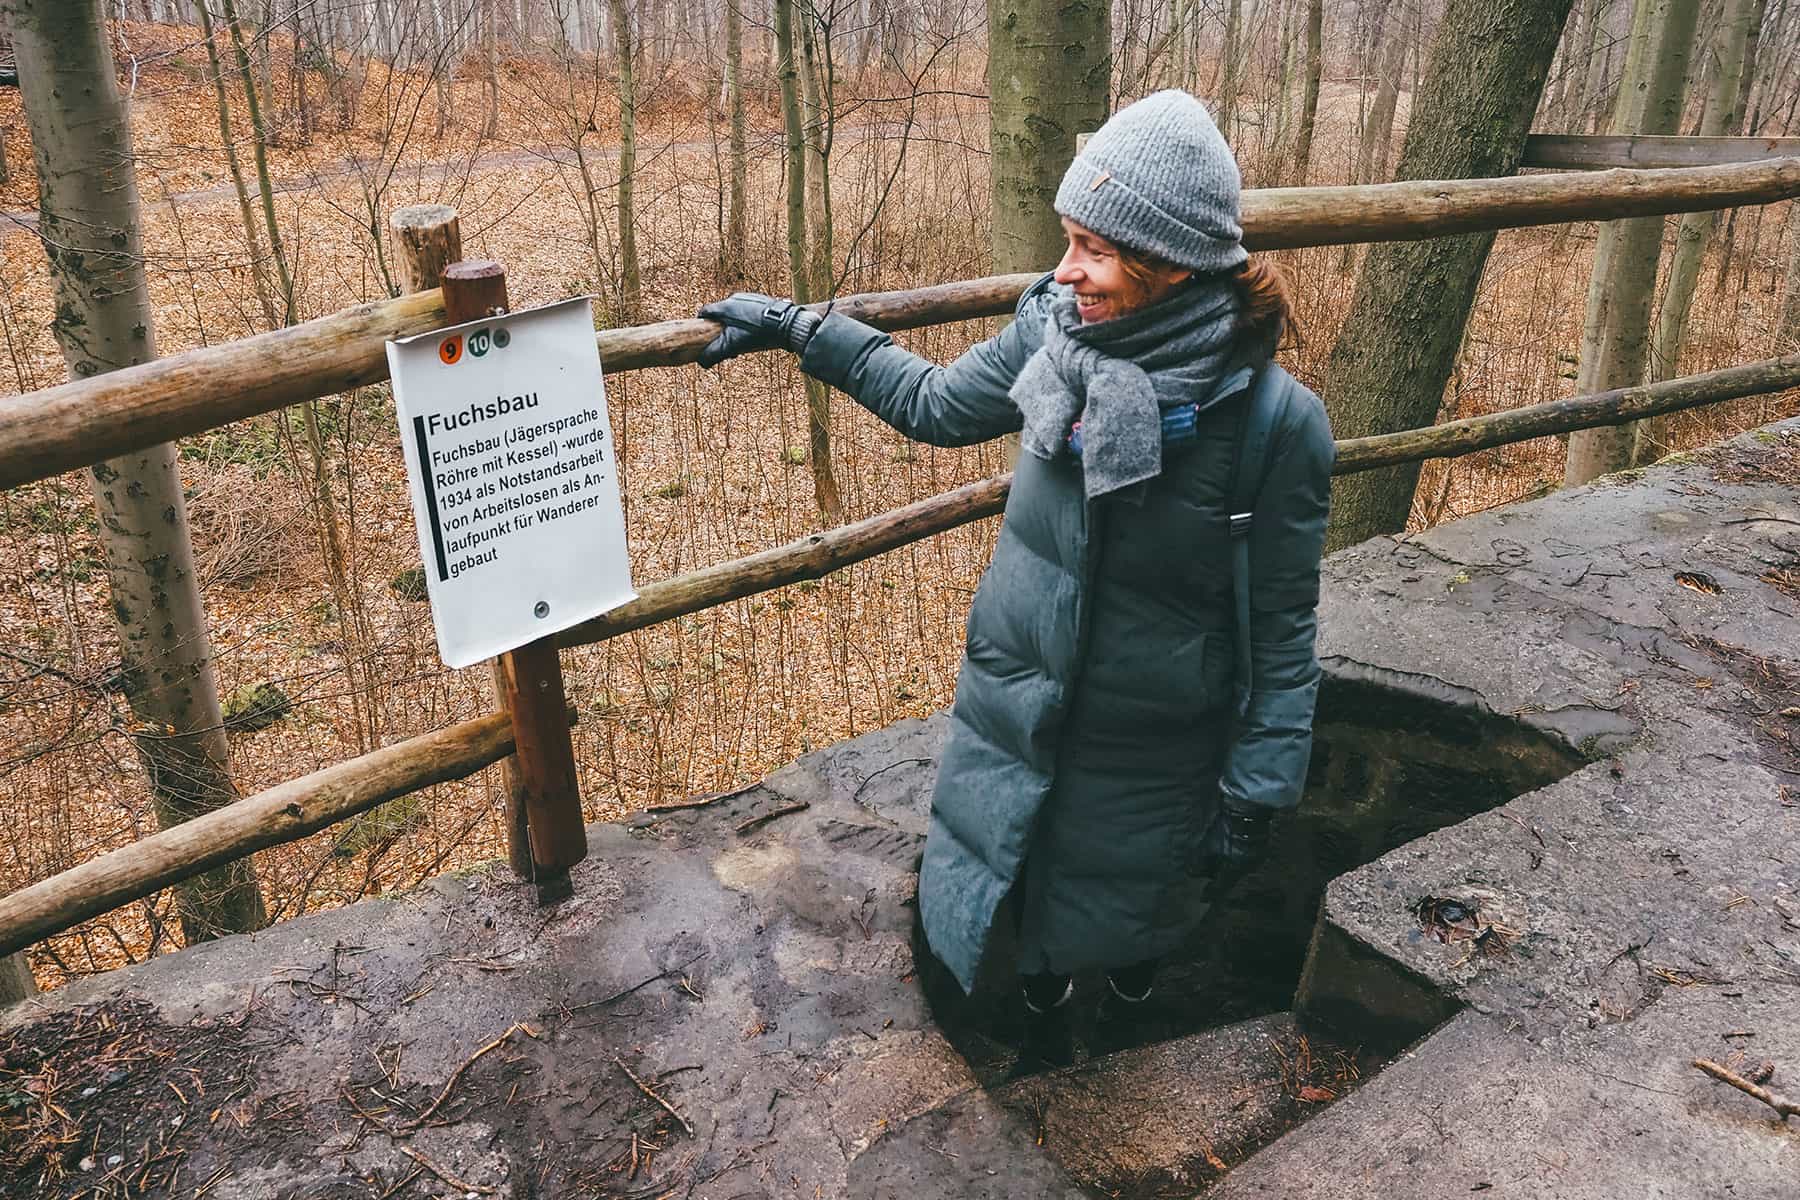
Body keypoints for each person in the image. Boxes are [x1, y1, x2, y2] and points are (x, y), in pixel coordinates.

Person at [695, 90, 1334, 1021]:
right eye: (1067, 240)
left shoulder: (1278, 424)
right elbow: (935, 404)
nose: (1065, 271)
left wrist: (1258, 787)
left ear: (1172, 265)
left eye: (1095, 251)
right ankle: (1033, 1006)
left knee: (1135, 930)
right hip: (1016, 703)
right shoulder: (1053, 335)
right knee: (1020, 914)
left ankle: (1129, 1003)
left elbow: (1284, 625)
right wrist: (804, 329)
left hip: (1157, 742)